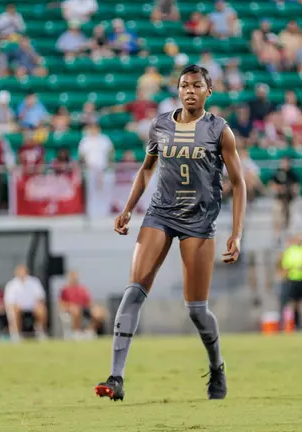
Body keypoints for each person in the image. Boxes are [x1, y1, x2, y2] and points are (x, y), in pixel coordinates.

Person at [94, 64, 246, 402]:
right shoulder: (160, 125)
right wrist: (128, 208)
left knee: (196, 309)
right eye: (184, 85)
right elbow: (146, 170)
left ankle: (217, 366)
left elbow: (238, 183)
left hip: (199, 221)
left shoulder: (220, 130)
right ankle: (115, 377)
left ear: (209, 91)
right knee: (133, 291)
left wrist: (237, 232)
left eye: (196, 85)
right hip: (160, 214)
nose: (189, 90)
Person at [3, 264, 48, 341]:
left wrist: (37, 303)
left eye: (23, 271)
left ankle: (40, 331)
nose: (22, 273)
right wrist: (17, 305)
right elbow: (9, 301)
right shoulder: (11, 285)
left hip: (32, 306)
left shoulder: (34, 282)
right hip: (18, 307)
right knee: (14, 311)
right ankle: (16, 334)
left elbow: (40, 296)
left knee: (42, 310)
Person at [59, 271, 107, 337]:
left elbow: (89, 302)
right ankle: (76, 332)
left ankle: (89, 331)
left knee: (99, 312)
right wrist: (70, 307)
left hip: (84, 308)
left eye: (76, 278)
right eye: (73, 278)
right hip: (72, 309)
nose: (75, 279)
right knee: (76, 310)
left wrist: (96, 308)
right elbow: (61, 304)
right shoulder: (65, 289)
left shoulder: (82, 288)